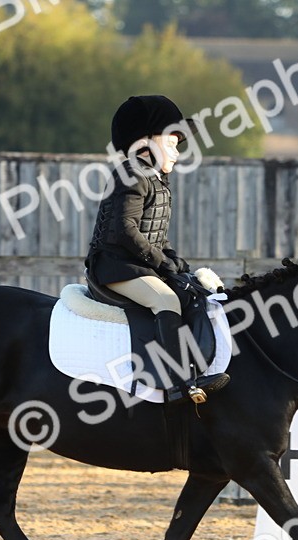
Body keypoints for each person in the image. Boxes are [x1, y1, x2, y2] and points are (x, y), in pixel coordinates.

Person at [85, 95, 229, 405]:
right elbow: (125, 231)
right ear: (145, 141)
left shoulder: (156, 180)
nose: (178, 152)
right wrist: (161, 261)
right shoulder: (131, 174)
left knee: (191, 291)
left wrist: (176, 262)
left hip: (136, 265)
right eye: (172, 143)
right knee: (166, 299)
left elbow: (155, 234)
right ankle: (180, 383)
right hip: (114, 266)